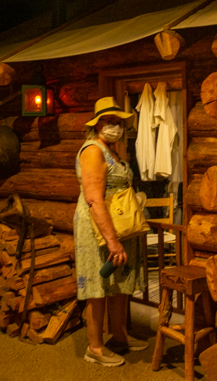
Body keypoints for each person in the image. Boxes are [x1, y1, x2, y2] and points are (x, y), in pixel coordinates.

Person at [74, 96, 147, 367]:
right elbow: (93, 198)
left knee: (118, 283)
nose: (115, 126)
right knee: (98, 284)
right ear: (97, 125)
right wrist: (112, 241)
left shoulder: (114, 150)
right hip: (97, 225)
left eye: (118, 122)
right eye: (109, 121)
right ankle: (94, 347)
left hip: (117, 222)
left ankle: (119, 335)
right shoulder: (93, 150)